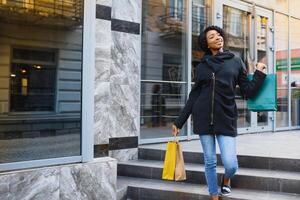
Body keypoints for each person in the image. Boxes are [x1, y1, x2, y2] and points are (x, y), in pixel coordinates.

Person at [171, 26, 267, 200]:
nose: (218, 38)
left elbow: (247, 90)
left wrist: (259, 73)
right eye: (212, 36)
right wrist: (179, 121)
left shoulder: (236, 61)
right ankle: (214, 195)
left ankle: (227, 178)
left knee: (231, 164)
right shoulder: (202, 66)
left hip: (226, 117)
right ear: (206, 44)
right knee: (210, 161)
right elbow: (194, 95)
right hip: (203, 118)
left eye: (219, 35)